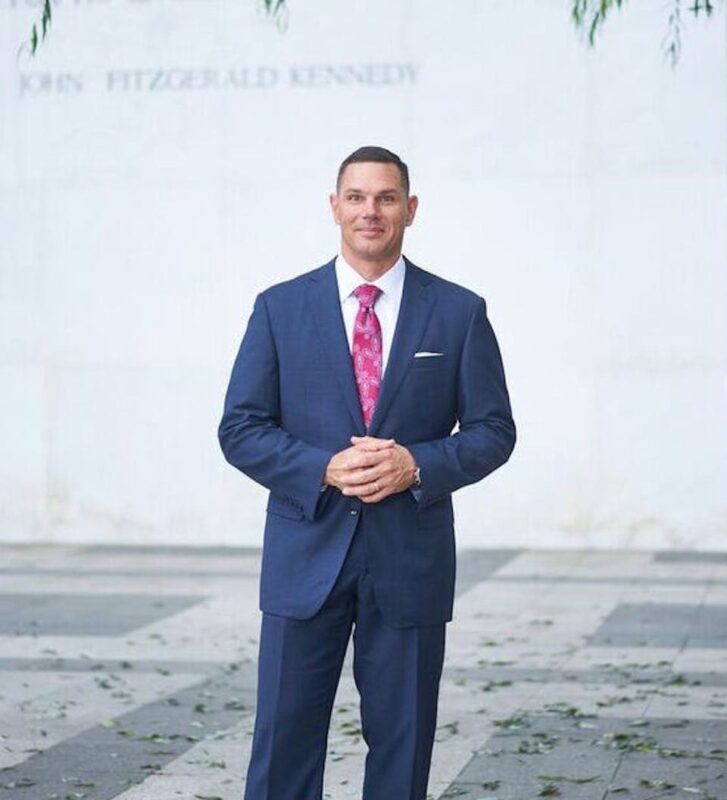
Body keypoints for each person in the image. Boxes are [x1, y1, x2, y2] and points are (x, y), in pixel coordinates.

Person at [218, 145, 516, 800]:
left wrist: (418, 464)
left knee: (403, 747)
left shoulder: (458, 312)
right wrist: (322, 466)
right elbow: (240, 428)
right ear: (334, 207)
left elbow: (495, 431)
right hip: (305, 558)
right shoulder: (279, 307)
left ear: (410, 209)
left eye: (385, 198)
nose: (370, 211)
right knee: (282, 744)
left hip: (409, 561)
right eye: (356, 197)